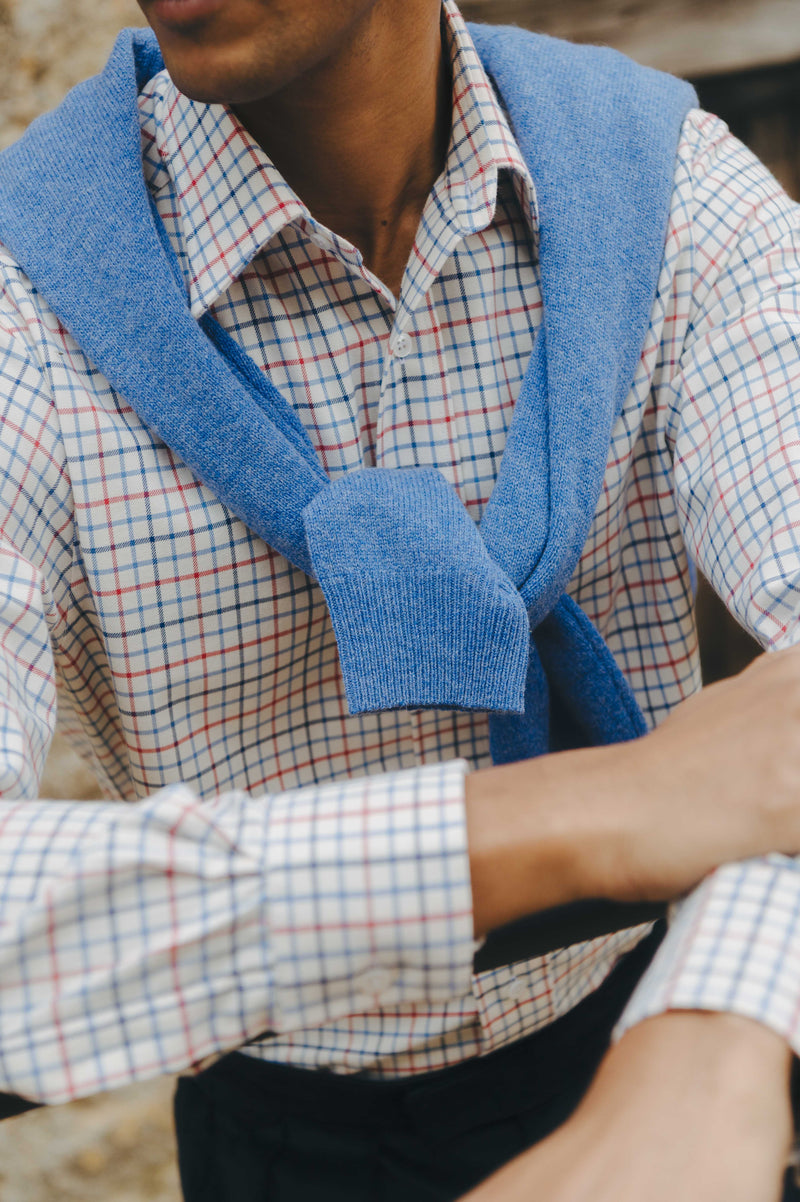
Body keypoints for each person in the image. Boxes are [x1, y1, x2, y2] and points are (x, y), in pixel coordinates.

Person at [1, 0, 800, 1198]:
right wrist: (596, 808)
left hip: (649, 1047)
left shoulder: (669, 187)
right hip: (282, 1136)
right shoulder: (25, 302)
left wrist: (715, 1030)